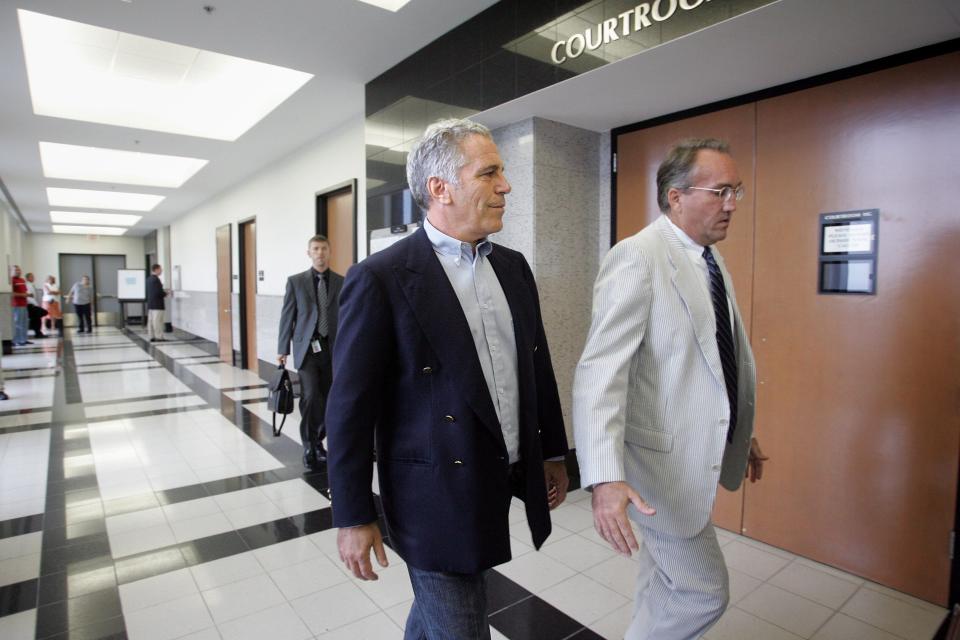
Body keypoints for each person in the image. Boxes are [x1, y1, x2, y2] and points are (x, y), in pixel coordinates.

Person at [327, 118, 570, 639]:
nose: (506, 185)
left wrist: (550, 452)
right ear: (440, 188)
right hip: (432, 491)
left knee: (440, 617)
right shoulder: (381, 278)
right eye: (490, 173)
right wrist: (352, 514)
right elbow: (349, 408)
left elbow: (535, 365)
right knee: (461, 627)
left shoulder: (514, 267)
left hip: (497, 475)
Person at [573, 138, 769, 640]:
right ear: (676, 196)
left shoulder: (708, 257)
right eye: (720, 191)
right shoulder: (639, 258)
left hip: (694, 451)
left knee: (662, 580)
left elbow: (713, 358)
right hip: (658, 471)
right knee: (704, 592)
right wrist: (604, 478)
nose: (731, 204)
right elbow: (601, 372)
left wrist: (737, 432)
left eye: (736, 192)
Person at [277, 235, 343, 468]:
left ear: (329, 251)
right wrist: (282, 348)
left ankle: (319, 441)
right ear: (309, 253)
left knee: (329, 398)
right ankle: (309, 444)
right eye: (315, 249)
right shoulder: (296, 282)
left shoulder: (341, 281)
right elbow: (288, 317)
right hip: (307, 349)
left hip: (333, 348)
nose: (320, 252)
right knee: (311, 396)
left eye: (324, 248)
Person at [146, 264, 168, 342]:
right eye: (160, 269)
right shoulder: (156, 280)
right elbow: (158, 293)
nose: (161, 270)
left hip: (151, 304)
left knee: (151, 321)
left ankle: (151, 336)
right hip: (157, 305)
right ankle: (159, 337)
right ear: (156, 270)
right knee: (158, 322)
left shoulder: (148, 279)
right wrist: (166, 293)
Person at [10, 265, 30, 346]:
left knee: (25, 322)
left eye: (19, 270)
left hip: (24, 304)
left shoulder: (22, 280)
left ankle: (24, 339)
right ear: (12, 271)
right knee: (18, 323)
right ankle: (17, 340)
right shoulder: (12, 280)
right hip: (17, 304)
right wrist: (22, 295)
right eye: (16, 270)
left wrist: (27, 295)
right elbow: (12, 293)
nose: (18, 271)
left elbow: (25, 291)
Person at [24, 272, 47, 338]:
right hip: (31, 304)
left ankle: (37, 332)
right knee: (40, 314)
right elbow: (29, 296)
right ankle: (37, 332)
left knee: (37, 317)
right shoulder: (27, 285)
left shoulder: (32, 285)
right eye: (32, 277)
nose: (33, 278)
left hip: (33, 304)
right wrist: (35, 304)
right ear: (28, 278)